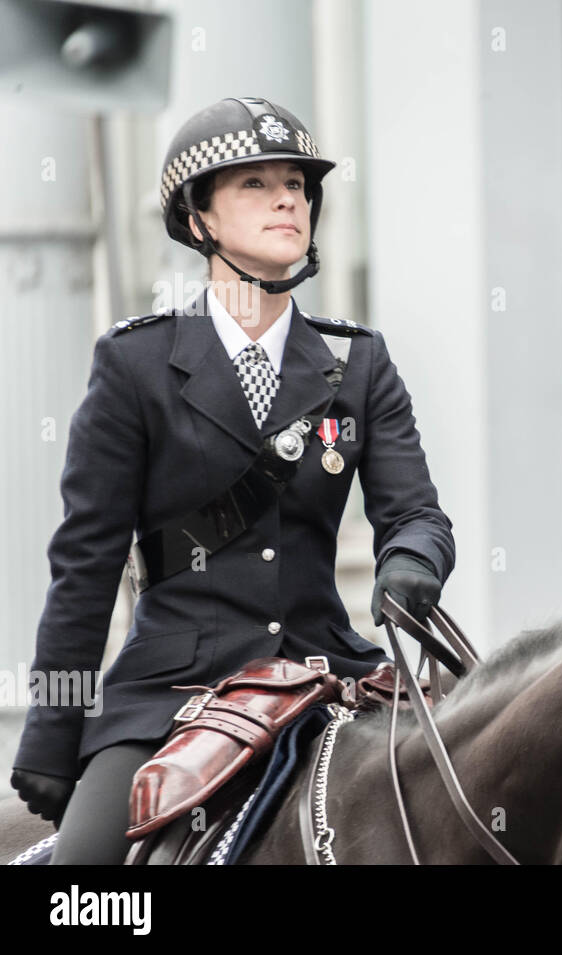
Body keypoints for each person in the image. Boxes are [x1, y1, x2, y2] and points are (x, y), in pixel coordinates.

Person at [9, 97, 453, 864]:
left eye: (297, 183)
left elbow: (417, 513)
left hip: (326, 680)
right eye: (255, 183)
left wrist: (411, 560)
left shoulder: (359, 364)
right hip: (170, 697)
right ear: (200, 220)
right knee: (80, 892)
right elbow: (85, 567)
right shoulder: (135, 366)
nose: (288, 198)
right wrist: (52, 739)